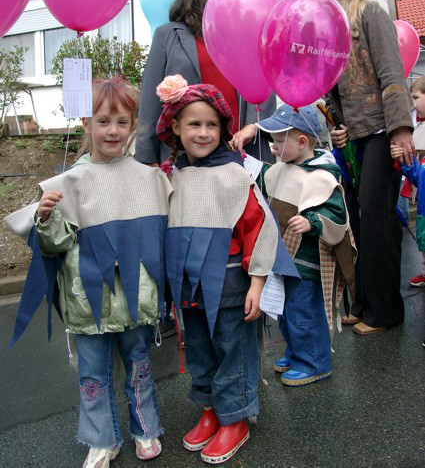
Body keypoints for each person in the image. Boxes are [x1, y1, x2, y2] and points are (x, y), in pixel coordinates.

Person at [4, 77, 173, 468]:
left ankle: (145, 428)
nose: (112, 130)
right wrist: (45, 217)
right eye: (102, 121)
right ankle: (101, 440)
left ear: (134, 126)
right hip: (87, 302)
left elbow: (162, 232)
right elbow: (56, 245)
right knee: (92, 377)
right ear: (86, 123)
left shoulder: (148, 178)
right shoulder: (70, 182)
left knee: (140, 368)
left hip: (137, 301)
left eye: (121, 121)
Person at [155, 75, 299, 464]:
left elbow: (258, 228)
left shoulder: (236, 175)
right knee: (199, 348)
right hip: (189, 286)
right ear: (175, 128)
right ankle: (210, 409)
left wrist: (257, 284)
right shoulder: (170, 175)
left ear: (223, 130)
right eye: (193, 124)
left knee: (233, 349)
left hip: (232, 284)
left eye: (211, 125)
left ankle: (235, 416)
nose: (202, 133)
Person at [315, 0, 414, 335]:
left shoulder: (370, 14)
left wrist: (401, 130)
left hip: (382, 131)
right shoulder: (329, 29)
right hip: (353, 138)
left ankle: (386, 312)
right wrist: (335, 129)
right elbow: (333, 93)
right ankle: (362, 304)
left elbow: (391, 72)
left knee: (376, 219)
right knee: (356, 221)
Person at [135, 0, 276, 167]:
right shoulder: (167, 35)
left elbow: (263, 80)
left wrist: (253, 125)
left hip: (243, 150)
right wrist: (146, 159)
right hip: (186, 154)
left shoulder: (241, 32)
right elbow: (149, 102)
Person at [257, 104, 356, 386]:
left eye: (279, 140)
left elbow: (337, 215)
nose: (274, 146)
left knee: (304, 313)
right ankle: (297, 351)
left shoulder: (322, 176)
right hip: (285, 258)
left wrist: (312, 222)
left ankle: (315, 362)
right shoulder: (281, 169)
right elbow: (267, 190)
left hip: (307, 263)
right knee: (286, 312)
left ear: (302, 142)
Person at [391, 76, 425, 288]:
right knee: (423, 241)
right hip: (423, 206)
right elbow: (417, 174)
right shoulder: (419, 130)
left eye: (416, 97)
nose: (412, 104)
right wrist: (401, 159)